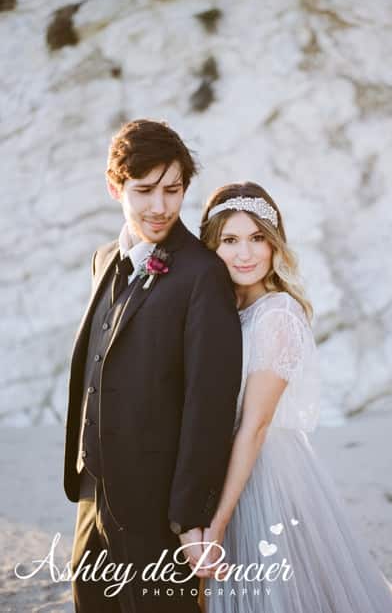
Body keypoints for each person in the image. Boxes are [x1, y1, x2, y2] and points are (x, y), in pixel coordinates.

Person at [195, 182, 392, 612]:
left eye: (257, 238)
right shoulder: (225, 311)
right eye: (230, 241)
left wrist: (217, 523)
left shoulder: (277, 315)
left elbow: (255, 425)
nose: (245, 253)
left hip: (263, 472)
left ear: (274, 245)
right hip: (225, 464)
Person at [63, 119, 243, 612]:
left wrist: (189, 519)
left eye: (173, 189)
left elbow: (209, 402)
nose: (160, 207)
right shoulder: (103, 260)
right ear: (113, 186)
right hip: (92, 491)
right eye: (143, 191)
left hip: (159, 507)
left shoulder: (203, 274)